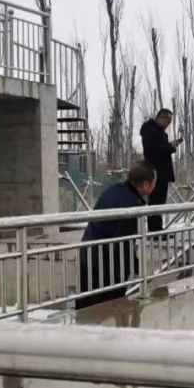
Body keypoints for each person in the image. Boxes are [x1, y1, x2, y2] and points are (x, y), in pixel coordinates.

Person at [75, 161, 158, 310]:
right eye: (154, 182)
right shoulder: (131, 204)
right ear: (146, 185)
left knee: (86, 306)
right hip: (106, 264)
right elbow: (124, 243)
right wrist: (134, 268)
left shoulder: (114, 189)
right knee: (107, 308)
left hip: (88, 252)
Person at [140, 108, 181, 232]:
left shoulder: (159, 132)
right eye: (167, 121)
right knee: (155, 201)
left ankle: (158, 228)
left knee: (160, 201)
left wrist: (170, 147)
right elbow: (154, 150)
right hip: (155, 170)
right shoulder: (150, 131)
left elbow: (160, 148)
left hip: (161, 171)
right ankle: (154, 229)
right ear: (161, 118)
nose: (168, 125)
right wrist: (170, 147)